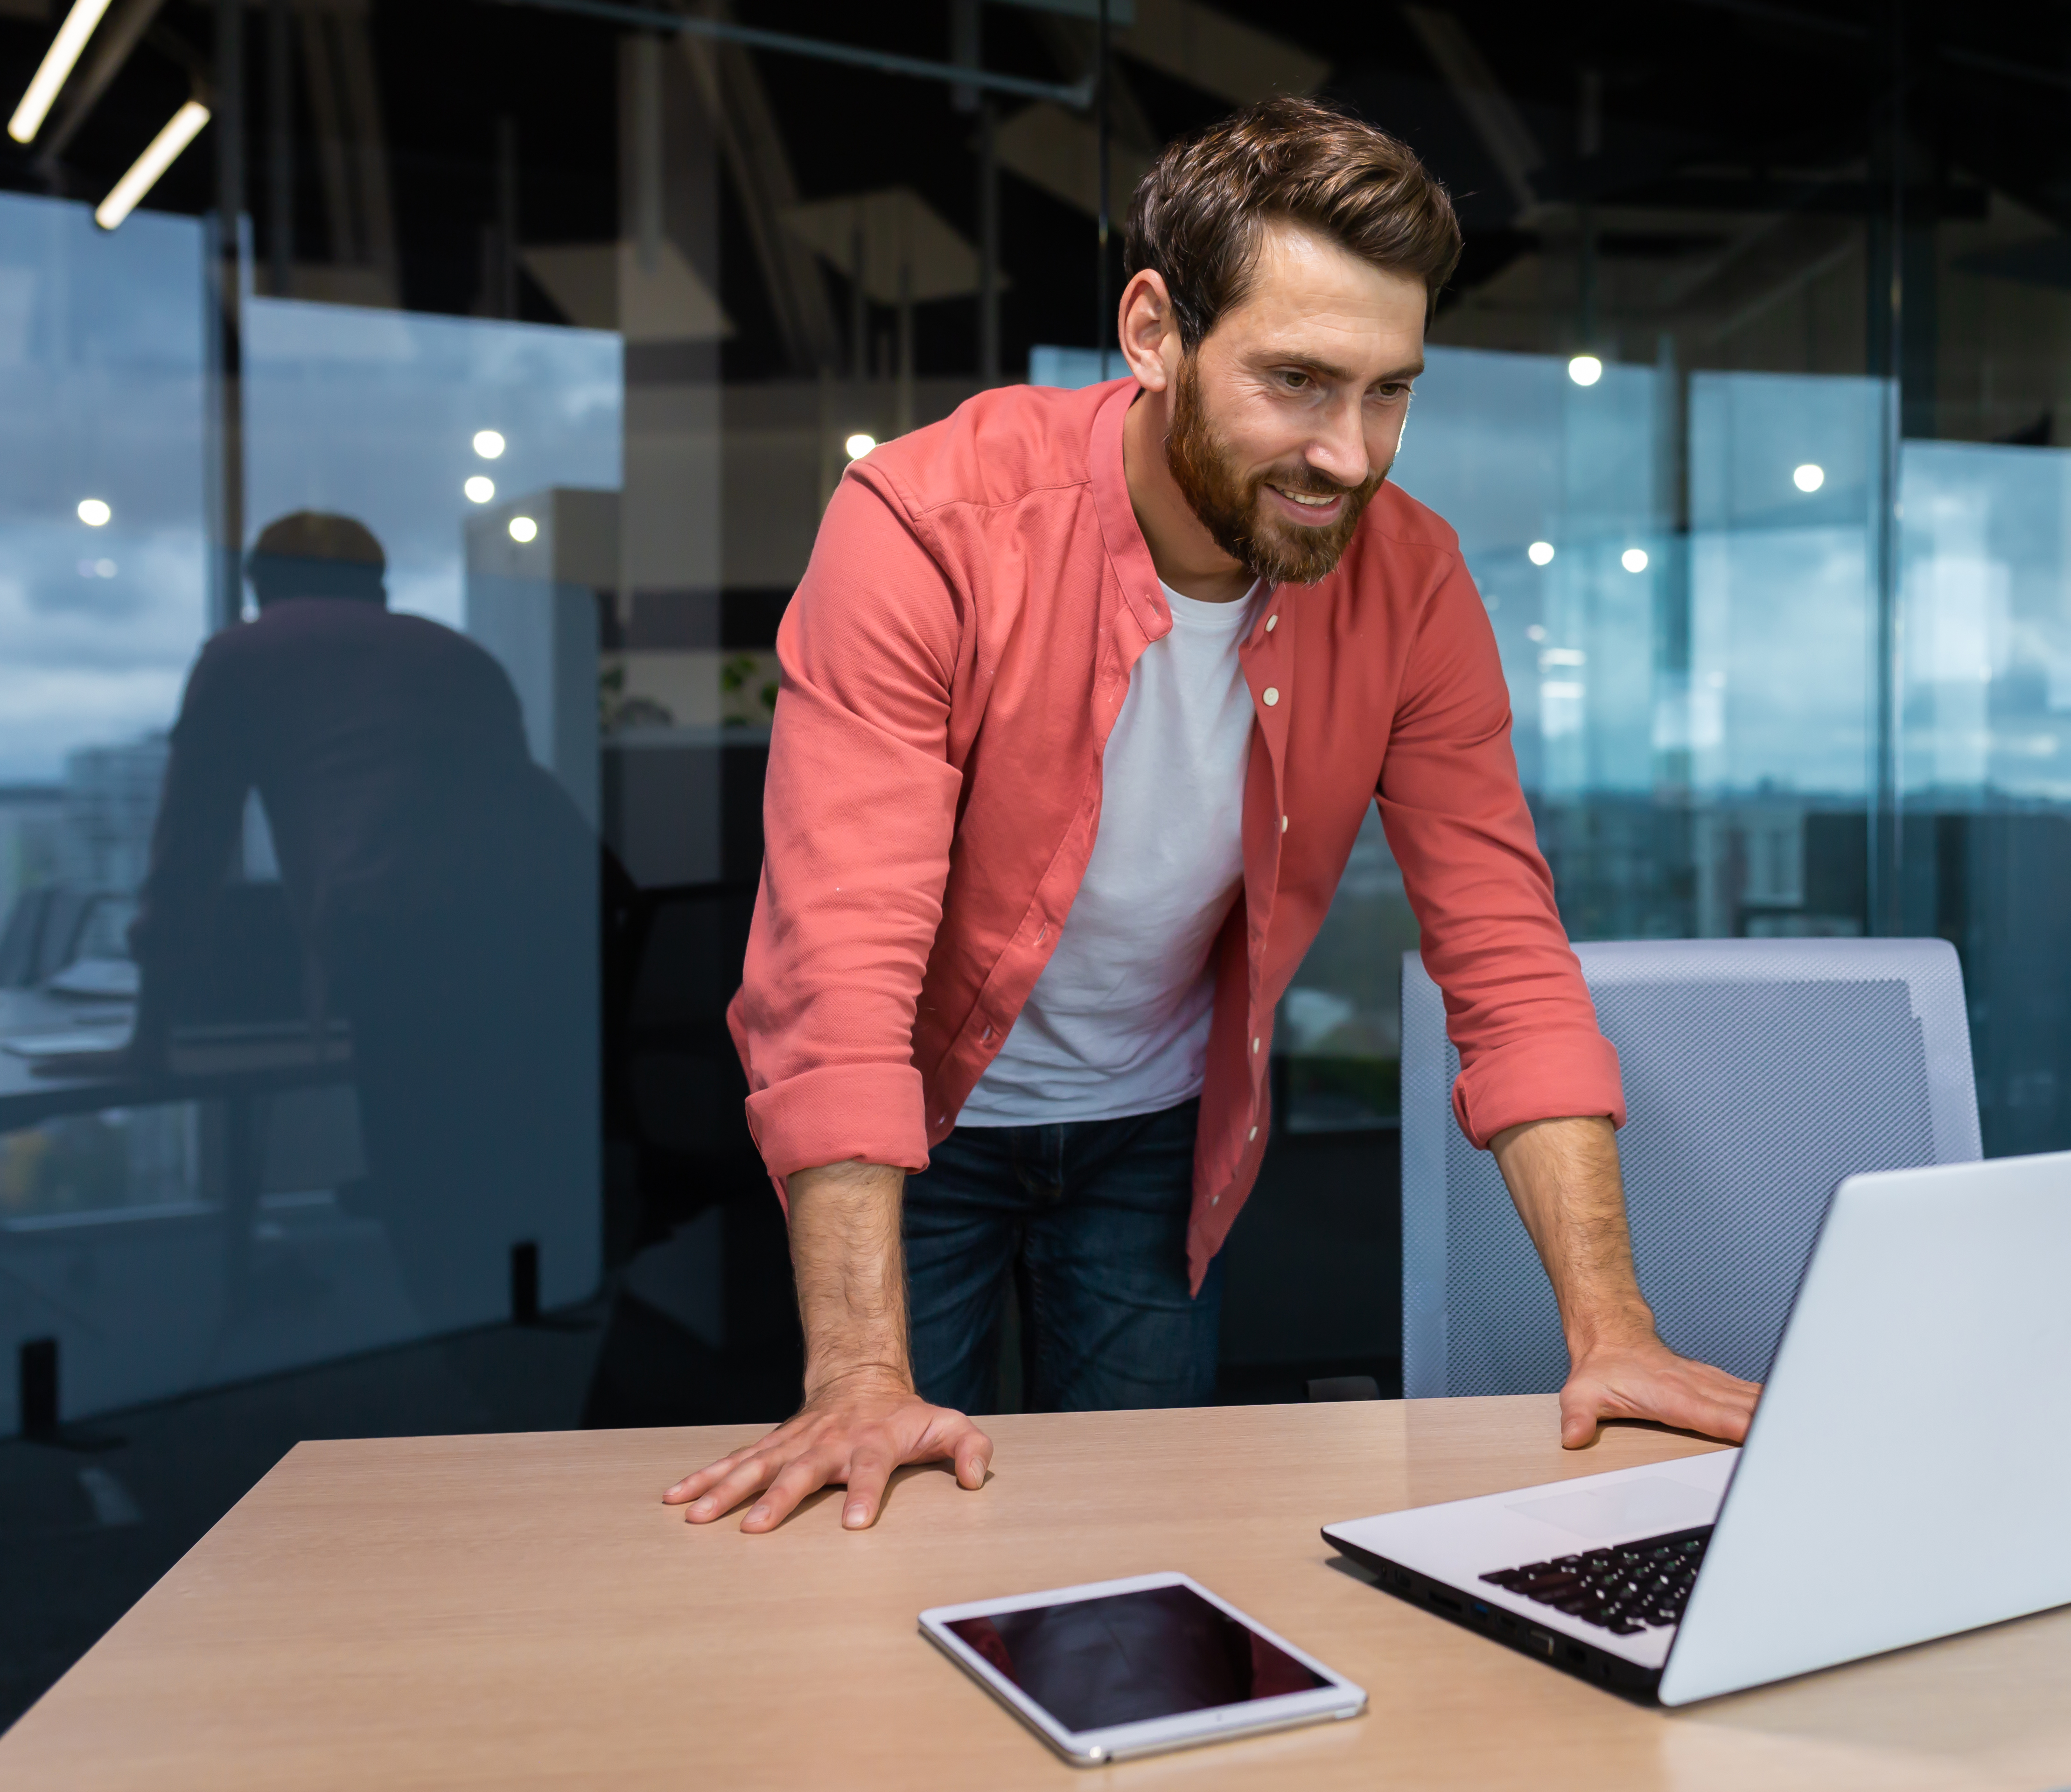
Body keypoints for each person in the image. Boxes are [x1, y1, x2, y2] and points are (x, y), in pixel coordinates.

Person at [670, 98, 1759, 1536]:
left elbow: (1505, 958)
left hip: (1156, 1130)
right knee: (870, 1513)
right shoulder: (930, 523)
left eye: (1390, 391)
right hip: (909, 1125)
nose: (1352, 456)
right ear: (1152, 333)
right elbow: (840, 961)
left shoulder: (1412, 581)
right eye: (1299, 382)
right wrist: (861, 1370)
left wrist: (1613, 1327)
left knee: (1134, 1556)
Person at [131, 510, 592, 1331]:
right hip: (554, 934)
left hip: (405, 941)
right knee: (509, 1184)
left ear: (259, 588)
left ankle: (469, 1386)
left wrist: (150, 1031)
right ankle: (523, 1381)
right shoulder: (457, 653)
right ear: (378, 587)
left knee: (428, 1197)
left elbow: (189, 850)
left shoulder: (241, 656)